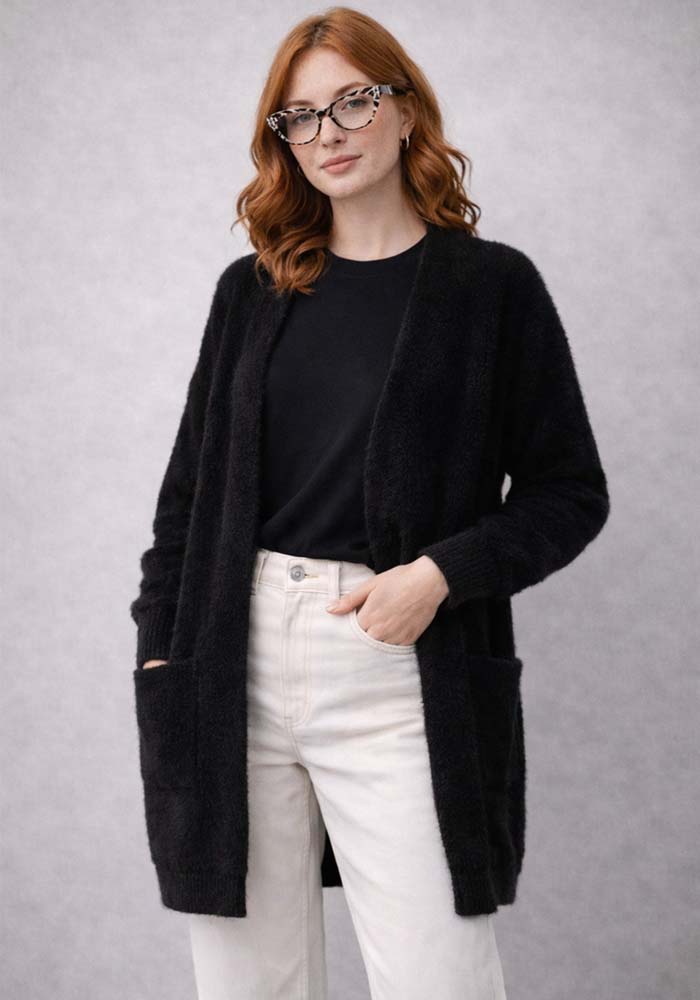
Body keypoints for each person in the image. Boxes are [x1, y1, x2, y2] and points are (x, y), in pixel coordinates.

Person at [130, 7, 610, 1000]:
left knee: (441, 979)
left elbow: (570, 492)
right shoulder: (252, 291)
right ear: (282, 140)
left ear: (405, 110)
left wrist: (439, 576)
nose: (328, 133)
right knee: (247, 984)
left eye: (353, 101)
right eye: (300, 117)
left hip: (400, 661)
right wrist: (160, 651)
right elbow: (187, 499)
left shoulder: (490, 289)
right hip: (234, 659)